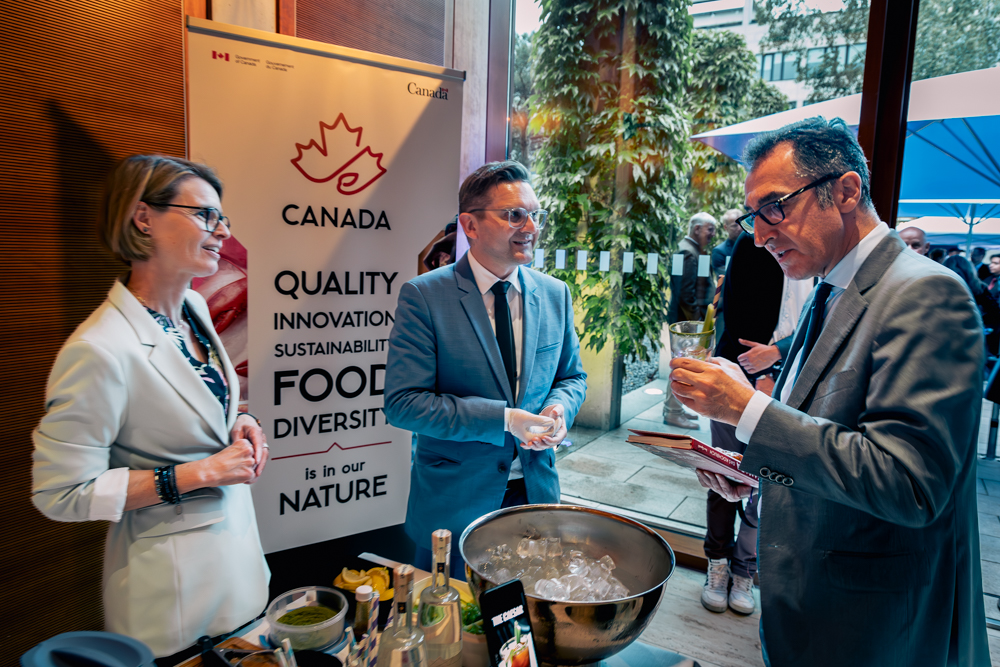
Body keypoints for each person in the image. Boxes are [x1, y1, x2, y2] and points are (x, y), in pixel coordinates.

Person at [669, 117, 989, 666]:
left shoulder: (926, 293)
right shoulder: (830, 289)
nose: (761, 234)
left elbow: (909, 483)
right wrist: (751, 471)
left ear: (845, 190)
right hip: (810, 607)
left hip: (875, 626)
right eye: (753, 216)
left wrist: (745, 409)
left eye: (776, 206)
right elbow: (827, 432)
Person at [31, 156, 270, 659]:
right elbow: (60, 493)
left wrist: (241, 421)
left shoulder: (196, 307)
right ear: (143, 218)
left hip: (241, 571)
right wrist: (198, 473)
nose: (223, 230)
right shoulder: (99, 348)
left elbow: (205, 402)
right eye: (206, 215)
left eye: (222, 217)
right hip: (175, 601)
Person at [384, 161, 587, 577]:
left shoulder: (555, 294)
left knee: (521, 630)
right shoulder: (424, 296)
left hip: (534, 495)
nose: (530, 226)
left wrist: (559, 409)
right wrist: (505, 420)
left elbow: (571, 377)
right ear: (470, 226)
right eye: (514, 214)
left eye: (535, 214)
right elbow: (404, 405)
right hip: (455, 503)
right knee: (451, 626)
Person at [663, 212, 716, 429]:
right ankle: (673, 412)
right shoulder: (687, 252)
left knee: (683, 366)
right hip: (686, 324)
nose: (713, 234)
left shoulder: (690, 249)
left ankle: (676, 408)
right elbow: (686, 294)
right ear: (697, 229)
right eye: (710, 229)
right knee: (681, 367)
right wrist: (696, 327)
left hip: (686, 322)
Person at [711, 209, 742, 278]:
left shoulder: (754, 246)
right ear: (726, 227)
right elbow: (726, 277)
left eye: (742, 224)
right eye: (734, 226)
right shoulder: (719, 251)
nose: (740, 228)